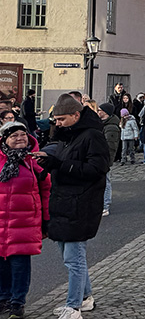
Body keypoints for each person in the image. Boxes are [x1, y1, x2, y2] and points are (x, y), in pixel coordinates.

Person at [33, 94, 110, 319]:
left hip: (81, 203)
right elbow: (64, 162)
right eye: (55, 120)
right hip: (64, 202)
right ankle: (85, 298)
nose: (57, 123)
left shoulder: (92, 136)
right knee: (70, 257)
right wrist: (49, 163)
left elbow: (97, 169)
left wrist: (61, 165)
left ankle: (73, 305)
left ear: (76, 115)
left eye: (62, 119)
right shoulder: (68, 136)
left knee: (74, 258)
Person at [0, 120, 50, 319]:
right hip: (1, 221)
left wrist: (46, 219)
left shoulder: (34, 161)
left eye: (22, 135)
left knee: (19, 264)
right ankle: (3, 298)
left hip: (25, 221)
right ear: (5, 140)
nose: (20, 139)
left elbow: (46, 190)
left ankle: (17, 303)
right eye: (14, 136)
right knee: (2, 263)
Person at [97, 103, 120, 216]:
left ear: (105, 112)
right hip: (100, 158)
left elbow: (111, 147)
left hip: (104, 159)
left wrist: (107, 161)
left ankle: (105, 206)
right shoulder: (103, 124)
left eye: (99, 110)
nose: (98, 112)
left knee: (105, 182)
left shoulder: (111, 127)